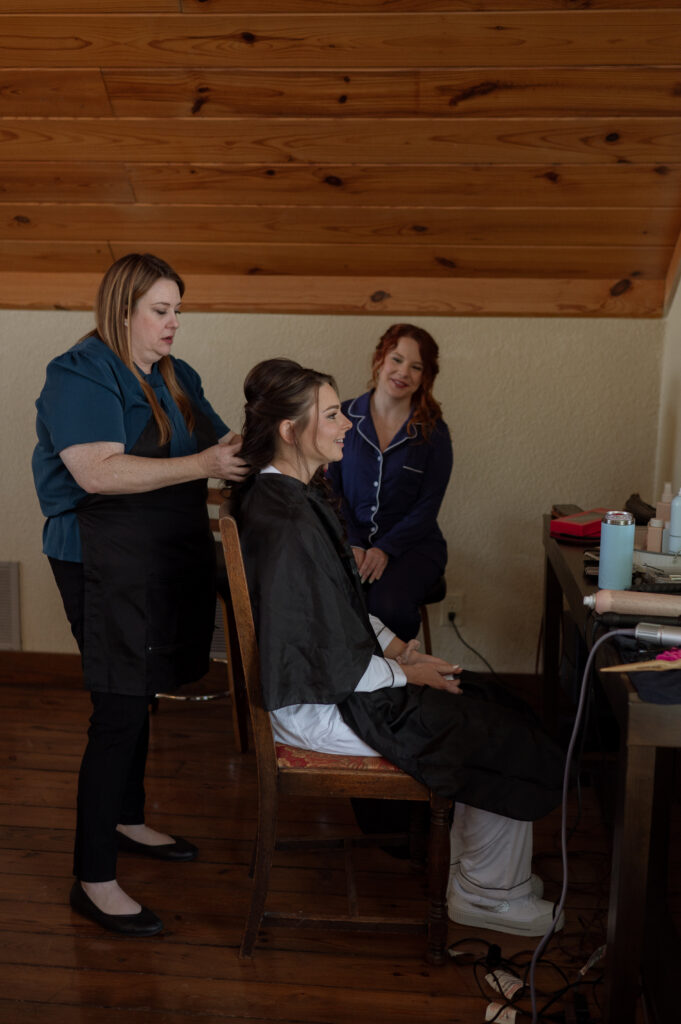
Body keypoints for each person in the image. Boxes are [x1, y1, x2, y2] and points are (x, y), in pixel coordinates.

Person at [233, 358, 566, 937]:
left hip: (338, 680)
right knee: (492, 731)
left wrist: (403, 651)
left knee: (491, 699)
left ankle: (479, 871)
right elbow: (321, 651)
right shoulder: (284, 520)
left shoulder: (290, 495)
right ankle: (487, 895)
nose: (346, 425)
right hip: (318, 704)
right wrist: (406, 677)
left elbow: (336, 607)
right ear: (290, 430)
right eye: (333, 414)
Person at [32, 253, 248, 937]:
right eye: (161, 310)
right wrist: (204, 465)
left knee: (144, 684)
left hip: (161, 551)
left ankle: (127, 818)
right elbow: (96, 473)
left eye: (178, 310)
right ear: (122, 310)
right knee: (119, 702)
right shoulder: (79, 373)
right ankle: (92, 878)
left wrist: (277, 440)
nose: (174, 323)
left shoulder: (175, 376)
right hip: (100, 556)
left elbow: (222, 446)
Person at [326, 324, 452, 640]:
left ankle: (396, 682)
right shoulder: (342, 417)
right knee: (332, 600)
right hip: (347, 541)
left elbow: (427, 507)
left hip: (413, 547)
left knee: (388, 607)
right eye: (396, 359)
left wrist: (385, 549)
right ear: (380, 360)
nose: (403, 372)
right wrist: (353, 540)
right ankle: (350, 683)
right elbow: (330, 491)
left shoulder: (434, 433)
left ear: (426, 377)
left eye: (416, 366)